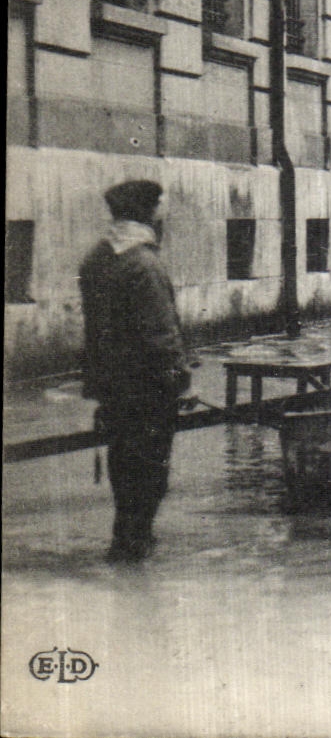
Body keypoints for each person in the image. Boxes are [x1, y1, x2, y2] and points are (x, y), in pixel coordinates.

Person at [79, 179, 191, 563]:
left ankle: (127, 539)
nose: (162, 214)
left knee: (122, 461)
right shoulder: (144, 264)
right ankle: (134, 545)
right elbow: (160, 334)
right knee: (151, 466)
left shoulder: (96, 259)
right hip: (148, 387)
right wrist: (180, 378)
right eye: (159, 207)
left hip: (112, 386)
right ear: (148, 213)